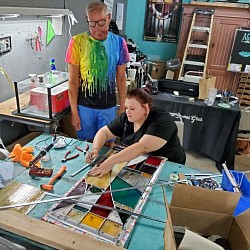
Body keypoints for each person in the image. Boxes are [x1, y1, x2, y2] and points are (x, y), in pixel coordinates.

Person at [65, 2, 130, 141]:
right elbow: (73, 81)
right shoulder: (76, 42)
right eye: (92, 24)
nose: (97, 29)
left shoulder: (119, 43)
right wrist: (74, 113)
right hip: (84, 108)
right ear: (86, 19)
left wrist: (123, 107)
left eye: (101, 23)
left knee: (107, 146)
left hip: (108, 107)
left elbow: (121, 79)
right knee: (85, 146)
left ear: (108, 17)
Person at [87, 88, 186, 177]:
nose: (128, 112)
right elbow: (104, 132)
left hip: (170, 165)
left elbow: (142, 147)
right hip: (141, 160)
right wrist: (95, 149)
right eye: (126, 108)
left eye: (132, 109)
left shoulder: (161, 120)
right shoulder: (127, 118)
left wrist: (111, 161)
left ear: (145, 108)